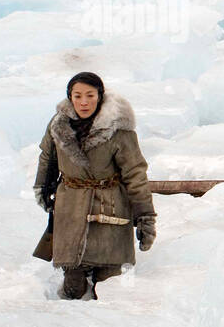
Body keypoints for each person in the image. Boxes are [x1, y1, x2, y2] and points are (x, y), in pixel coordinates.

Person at [33, 73, 157, 299]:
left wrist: (145, 217)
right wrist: (42, 187)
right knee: (73, 289)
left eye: (90, 95)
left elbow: (135, 174)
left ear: (99, 96)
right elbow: (47, 157)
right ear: (70, 97)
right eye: (77, 95)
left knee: (112, 288)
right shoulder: (58, 124)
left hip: (109, 208)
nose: (83, 102)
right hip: (71, 207)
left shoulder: (118, 130)